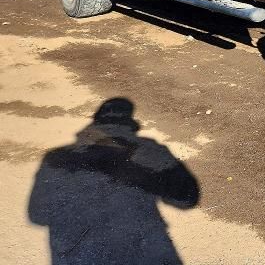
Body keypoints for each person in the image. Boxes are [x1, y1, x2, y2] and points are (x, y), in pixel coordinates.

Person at [28, 98, 200, 264]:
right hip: (142, 251)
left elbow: (37, 215)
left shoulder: (56, 158)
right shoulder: (150, 150)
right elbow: (187, 197)